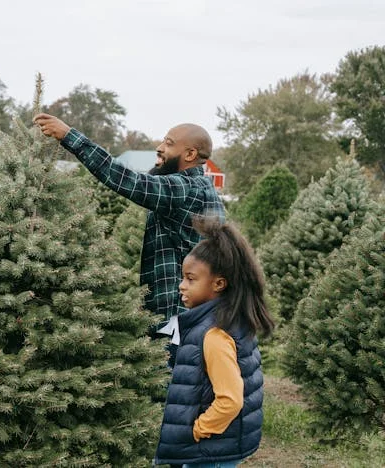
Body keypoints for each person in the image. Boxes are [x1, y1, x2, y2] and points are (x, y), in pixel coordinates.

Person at [33, 114, 225, 323]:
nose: (160, 147)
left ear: (190, 154)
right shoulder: (203, 189)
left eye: (168, 144)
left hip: (177, 317)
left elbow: (127, 180)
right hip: (195, 315)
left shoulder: (185, 189)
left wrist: (69, 137)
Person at [153, 217, 274, 467]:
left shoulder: (215, 335)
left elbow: (230, 400)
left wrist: (197, 430)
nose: (181, 286)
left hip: (212, 450)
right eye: (183, 278)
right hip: (220, 446)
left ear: (218, 284)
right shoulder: (228, 317)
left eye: (191, 279)